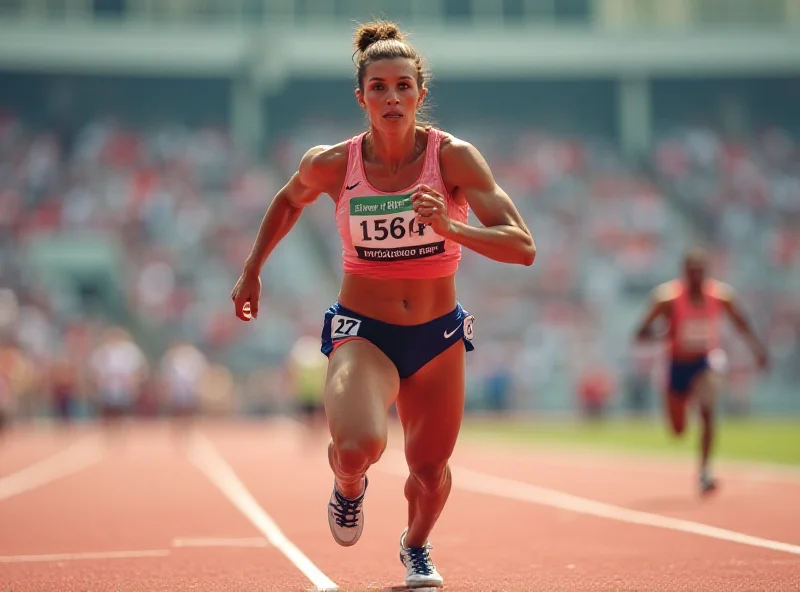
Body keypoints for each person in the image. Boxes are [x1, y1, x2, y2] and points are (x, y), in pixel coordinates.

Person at [230, 20, 535, 588]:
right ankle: (349, 487)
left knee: (429, 471)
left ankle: (415, 545)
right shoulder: (332, 163)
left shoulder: (454, 160)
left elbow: (523, 247)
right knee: (357, 446)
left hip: (437, 337)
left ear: (420, 93)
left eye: (402, 86)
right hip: (363, 332)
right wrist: (252, 270)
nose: (391, 97)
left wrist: (451, 226)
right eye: (378, 88)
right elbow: (287, 200)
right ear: (361, 97)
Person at [633, 248, 768, 495]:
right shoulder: (667, 299)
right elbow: (640, 333)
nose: (696, 277)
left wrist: (757, 350)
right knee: (678, 430)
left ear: (706, 272)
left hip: (705, 361)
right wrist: (664, 333)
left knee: (707, 410)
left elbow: (741, 322)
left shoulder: (721, 296)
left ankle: (705, 471)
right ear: (684, 273)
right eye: (691, 272)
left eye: (700, 272)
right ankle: (680, 405)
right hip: (676, 364)